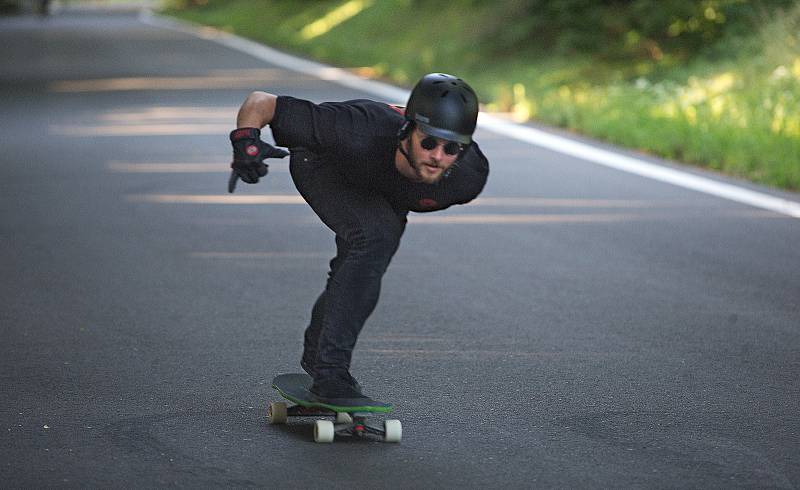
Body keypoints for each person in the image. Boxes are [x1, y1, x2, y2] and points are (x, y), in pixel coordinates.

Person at [229, 73, 489, 404]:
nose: (438, 156)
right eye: (428, 142)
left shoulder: (468, 178)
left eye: (451, 148)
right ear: (406, 131)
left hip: (384, 188)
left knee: (365, 256)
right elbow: (261, 102)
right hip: (324, 167)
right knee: (374, 238)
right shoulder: (353, 127)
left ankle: (317, 354)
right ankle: (331, 374)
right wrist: (245, 141)